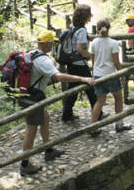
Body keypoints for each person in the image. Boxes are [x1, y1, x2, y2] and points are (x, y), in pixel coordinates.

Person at [21, 29, 95, 176]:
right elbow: (58, 77)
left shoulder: (30, 54)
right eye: (52, 43)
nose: (53, 45)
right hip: (33, 99)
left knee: (45, 118)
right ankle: (24, 164)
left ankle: (48, 150)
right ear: (47, 44)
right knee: (31, 130)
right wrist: (83, 79)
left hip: (27, 95)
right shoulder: (43, 60)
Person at [89, 18, 130, 135]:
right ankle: (119, 124)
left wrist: (95, 72)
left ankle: (92, 126)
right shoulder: (113, 43)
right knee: (118, 98)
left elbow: (93, 60)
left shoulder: (94, 42)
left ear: (97, 29)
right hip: (110, 75)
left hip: (98, 75)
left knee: (99, 101)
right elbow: (116, 62)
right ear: (109, 28)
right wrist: (122, 76)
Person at [61, 4, 97, 122]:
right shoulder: (81, 30)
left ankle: (66, 115)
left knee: (73, 89)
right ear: (85, 16)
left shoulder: (72, 28)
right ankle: (98, 113)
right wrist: (90, 55)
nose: (90, 16)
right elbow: (80, 48)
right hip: (79, 64)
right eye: (89, 14)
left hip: (72, 63)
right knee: (91, 88)